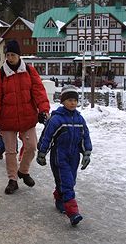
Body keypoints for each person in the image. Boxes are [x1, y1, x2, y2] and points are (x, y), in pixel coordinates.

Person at [0, 39, 50, 195]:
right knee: (10, 151)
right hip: (7, 120)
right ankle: (13, 179)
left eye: (12, 55)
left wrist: (44, 109)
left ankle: (23, 171)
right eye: (7, 55)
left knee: (32, 147)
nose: (9, 58)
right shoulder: (0, 75)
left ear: (19, 55)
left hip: (27, 118)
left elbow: (39, 92)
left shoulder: (29, 71)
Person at [36, 85, 92, 226]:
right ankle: (73, 212)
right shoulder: (56, 119)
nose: (73, 103)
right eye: (69, 100)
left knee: (70, 181)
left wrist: (86, 153)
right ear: (63, 101)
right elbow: (47, 137)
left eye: (75, 100)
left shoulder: (80, 119)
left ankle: (59, 197)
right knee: (67, 183)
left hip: (74, 156)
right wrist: (42, 153)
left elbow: (85, 136)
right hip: (59, 156)